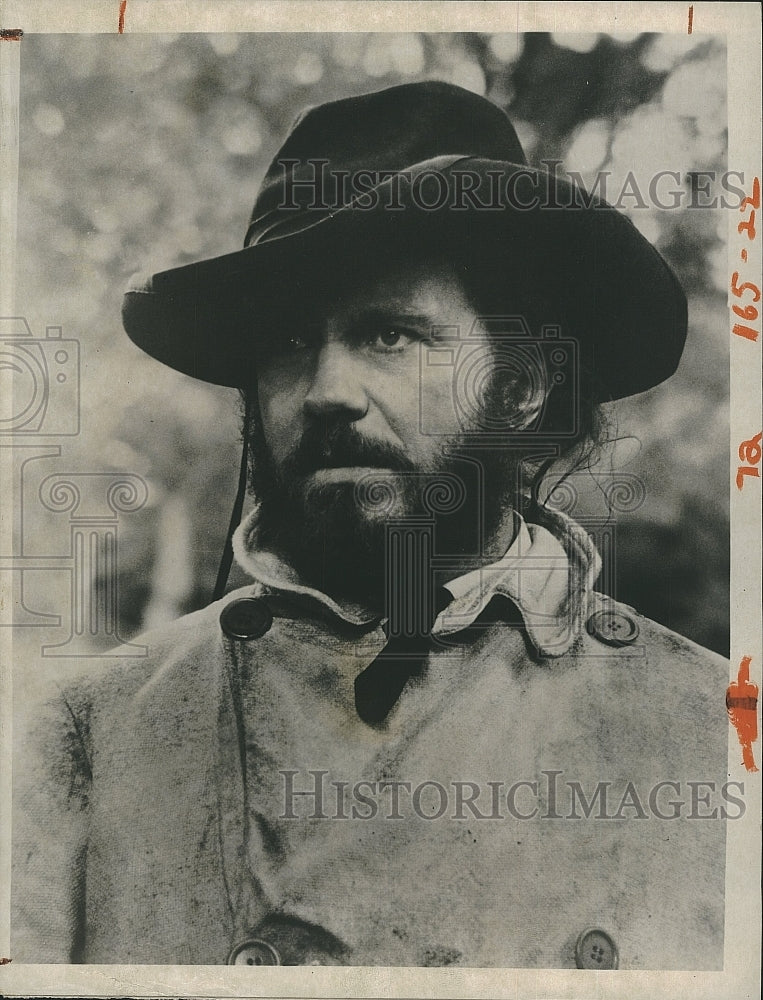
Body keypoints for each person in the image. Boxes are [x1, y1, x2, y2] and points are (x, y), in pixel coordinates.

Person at [13, 81, 729, 969]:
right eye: (286, 343)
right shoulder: (95, 732)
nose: (325, 392)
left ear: (522, 386)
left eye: (390, 336)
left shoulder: (715, 732)